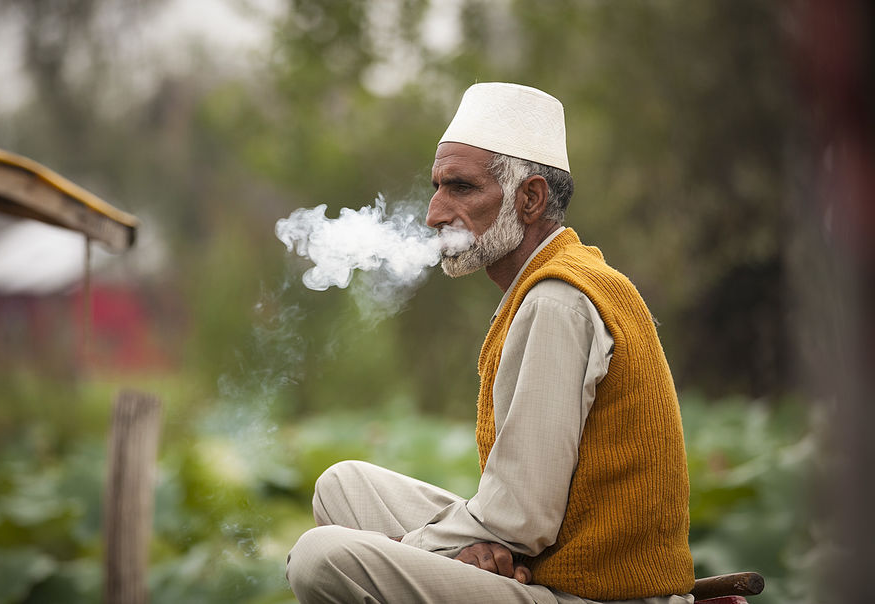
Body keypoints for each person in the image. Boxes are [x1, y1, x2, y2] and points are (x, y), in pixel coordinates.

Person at [286, 82, 695, 604]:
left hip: (592, 594)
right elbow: (518, 515)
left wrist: (416, 548)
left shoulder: (555, 300)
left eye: (460, 188)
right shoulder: (544, 284)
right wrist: (467, 546)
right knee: (342, 485)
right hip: (543, 562)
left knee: (322, 559)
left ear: (529, 199)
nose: (434, 213)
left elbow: (522, 519)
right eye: (436, 187)